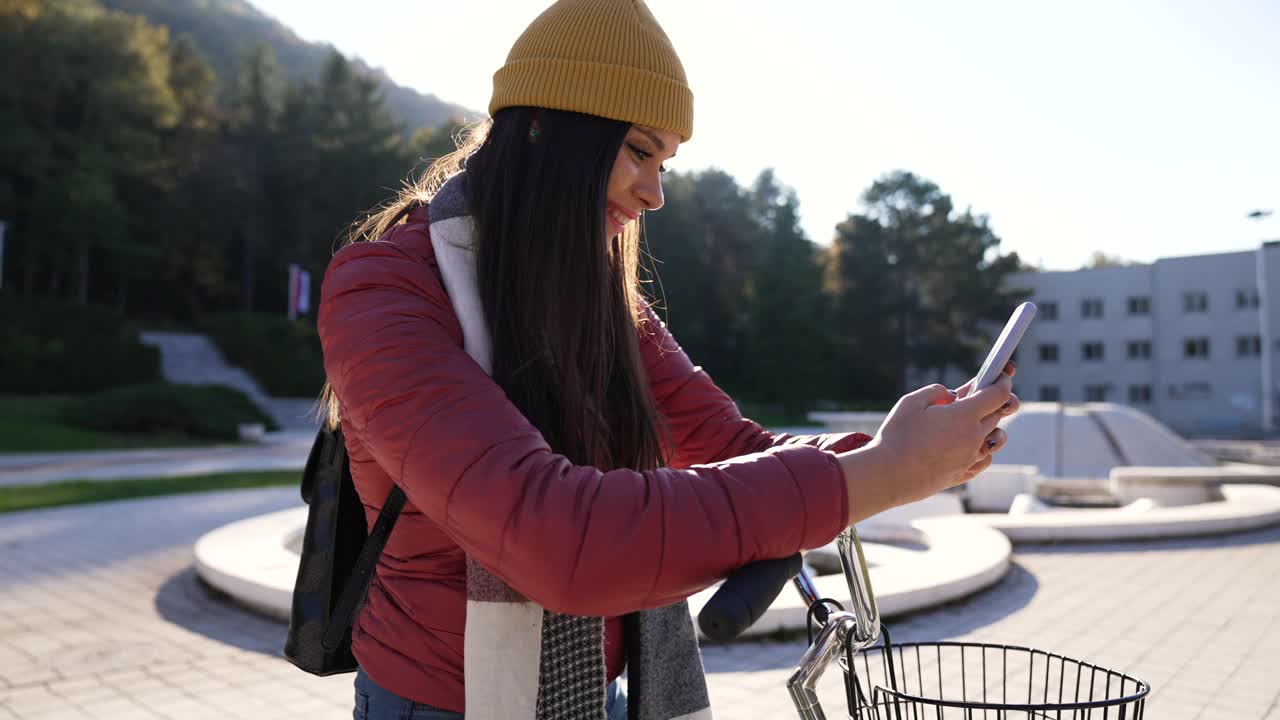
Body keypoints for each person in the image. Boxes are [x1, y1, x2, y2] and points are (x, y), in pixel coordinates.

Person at [315, 1, 1018, 718]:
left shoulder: (604, 304)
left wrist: (912, 446)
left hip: (601, 693)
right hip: (441, 703)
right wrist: (883, 472)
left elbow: (736, 448)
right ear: (541, 130)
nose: (655, 193)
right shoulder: (382, 292)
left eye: (666, 162)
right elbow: (557, 540)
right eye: (639, 152)